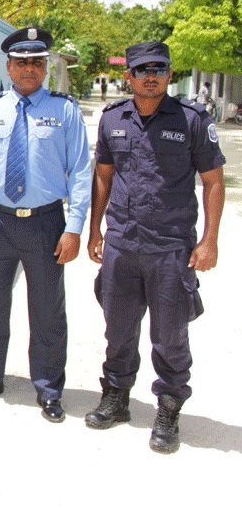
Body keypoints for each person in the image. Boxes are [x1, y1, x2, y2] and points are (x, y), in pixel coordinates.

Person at [85, 41, 225, 454]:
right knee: (118, 328)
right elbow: (103, 176)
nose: (152, 76)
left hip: (170, 247)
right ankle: (116, 397)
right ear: (128, 75)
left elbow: (213, 182)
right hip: (122, 243)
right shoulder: (113, 118)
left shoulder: (191, 119)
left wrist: (210, 240)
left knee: (170, 335)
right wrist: (95, 231)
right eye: (143, 69)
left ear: (169, 74)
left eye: (159, 69)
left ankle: (168, 408)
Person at [0, 27, 91, 423]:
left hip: (46, 223)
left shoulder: (65, 111)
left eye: (36, 62)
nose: (29, 69)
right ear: (8, 66)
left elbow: (81, 171)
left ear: (45, 67)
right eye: (21, 62)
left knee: (47, 309)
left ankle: (48, 387)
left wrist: (74, 227)